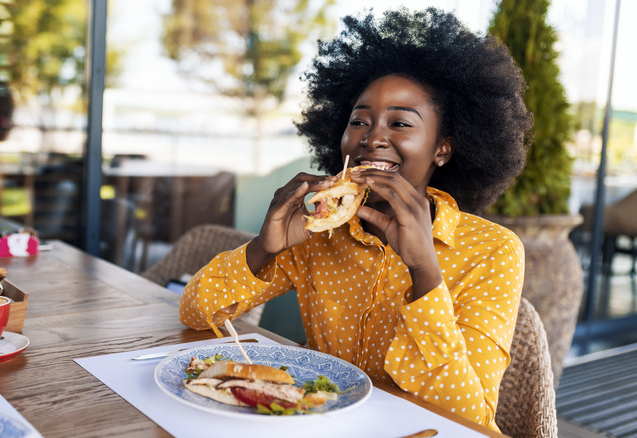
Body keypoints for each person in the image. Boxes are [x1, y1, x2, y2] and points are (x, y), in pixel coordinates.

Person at [179, 7, 532, 431]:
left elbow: (467, 418)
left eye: (400, 122)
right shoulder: (318, 230)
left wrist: (424, 270)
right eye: (359, 121)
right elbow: (195, 312)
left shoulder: (492, 251)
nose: (373, 137)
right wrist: (263, 247)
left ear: (443, 148)